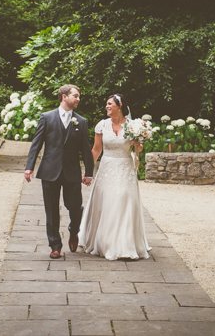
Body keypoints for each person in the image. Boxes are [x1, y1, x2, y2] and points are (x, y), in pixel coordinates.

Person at [24, 84, 95, 259]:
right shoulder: (47, 117)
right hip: (49, 171)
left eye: (78, 96)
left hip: (71, 172)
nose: (78, 99)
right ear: (64, 96)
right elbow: (37, 143)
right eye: (75, 96)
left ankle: (73, 231)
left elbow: (86, 149)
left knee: (75, 208)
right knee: (51, 210)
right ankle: (55, 245)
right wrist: (29, 166)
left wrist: (88, 172)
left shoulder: (81, 121)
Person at [78, 94, 151, 260]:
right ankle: (106, 243)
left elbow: (137, 148)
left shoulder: (133, 126)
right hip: (107, 167)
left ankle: (125, 244)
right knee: (108, 201)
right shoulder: (102, 125)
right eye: (106, 104)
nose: (107, 107)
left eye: (110, 104)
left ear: (120, 105)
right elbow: (96, 150)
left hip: (125, 167)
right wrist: (88, 171)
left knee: (124, 199)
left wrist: (139, 142)